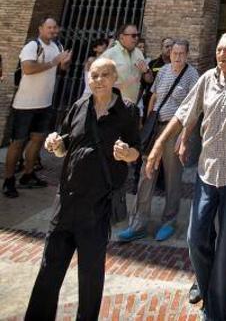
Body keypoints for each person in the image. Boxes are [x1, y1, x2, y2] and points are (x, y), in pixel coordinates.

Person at [146, 33, 226, 321]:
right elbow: (186, 112)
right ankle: (212, 290)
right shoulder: (208, 78)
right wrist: (159, 145)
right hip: (208, 172)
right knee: (196, 238)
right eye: (219, 48)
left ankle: (217, 310)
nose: (220, 54)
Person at [24, 57, 140, 320]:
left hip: (97, 206)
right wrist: (55, 144)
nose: (97, 80)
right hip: (65, 201)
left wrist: (126, 154)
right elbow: (65, 146)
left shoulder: (127, 111)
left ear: (114, 79)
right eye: (93, 75)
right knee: (49, 270)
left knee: (90, 275)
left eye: (104, 75)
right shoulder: (78, 106)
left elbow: (137, 153)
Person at [118, 39, 199, 242]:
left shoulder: (192, 75)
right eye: (174, 53)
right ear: (170, 54)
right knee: (147, 172)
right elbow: (154, 96)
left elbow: (194, 108)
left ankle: (169, 220)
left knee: (172, 176)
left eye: (181, 53)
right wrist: (147, 121)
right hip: (156, 127)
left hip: (175, 130)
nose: (177, 57)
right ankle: (139, 222)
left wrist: (184, 136)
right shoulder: (162, 71)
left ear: (187, 55)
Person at [3, 18, 71, 198]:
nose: (53, 30)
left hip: (45, 103)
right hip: (25, 104)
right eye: (49, 27)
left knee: (38, 140)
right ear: (41, 28)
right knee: (17, 143)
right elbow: (27, 68)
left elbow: (61, 70)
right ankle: (8, 180)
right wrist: (53, 62)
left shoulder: (58, 46)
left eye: (55, 27)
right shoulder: (32, 46)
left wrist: (64, 63)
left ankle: (28, 174)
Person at [103, 24, 153, 104]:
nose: (136, 38)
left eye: (137, 35)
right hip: (110, 105)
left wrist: (146, 71)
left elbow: (149, 80)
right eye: (133, 36)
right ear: (122, 37)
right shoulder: (110, 54)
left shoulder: (138, 53)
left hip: (131, 106)